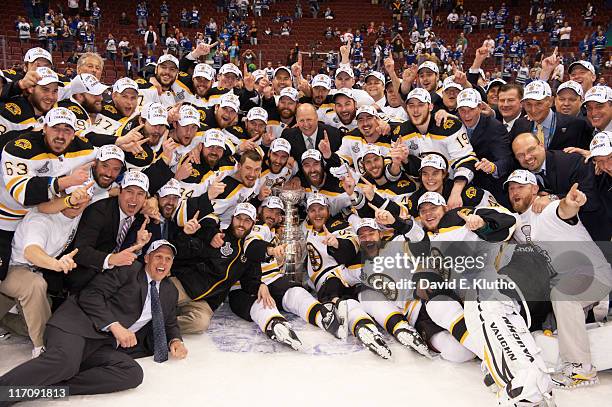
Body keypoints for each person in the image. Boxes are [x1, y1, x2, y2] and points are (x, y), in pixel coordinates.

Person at [0, 240, 186, 403]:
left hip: (102, 344)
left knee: (132, 373)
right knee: (65, 362)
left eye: (168, 259)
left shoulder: (170, 291)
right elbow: (90, 295)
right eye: (158, 256)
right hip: (76, 326)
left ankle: (50, 387)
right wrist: (115, 325)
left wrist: (175, 340)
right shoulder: (128, 270)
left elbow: (169, 322)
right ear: (146, 258)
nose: (163, 262)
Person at [505, 169, 612, 388]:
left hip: (592, 274)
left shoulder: (547, 209)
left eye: (520, 187)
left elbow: (565, 209)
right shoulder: (515, 223)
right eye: (511, 188)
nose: (514, 192)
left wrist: (571, 202)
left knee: (563, 295)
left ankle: (581, 369)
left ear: (535, 189)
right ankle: (572, 360)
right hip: (566, 280)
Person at [511, 132, 611, 241]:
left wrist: (553, 198)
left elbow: (591, 200)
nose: (527, 157)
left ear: (541, 145)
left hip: (596, 234)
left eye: (531, 150)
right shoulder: (520, 176)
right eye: (520, 155)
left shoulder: (571, 161)